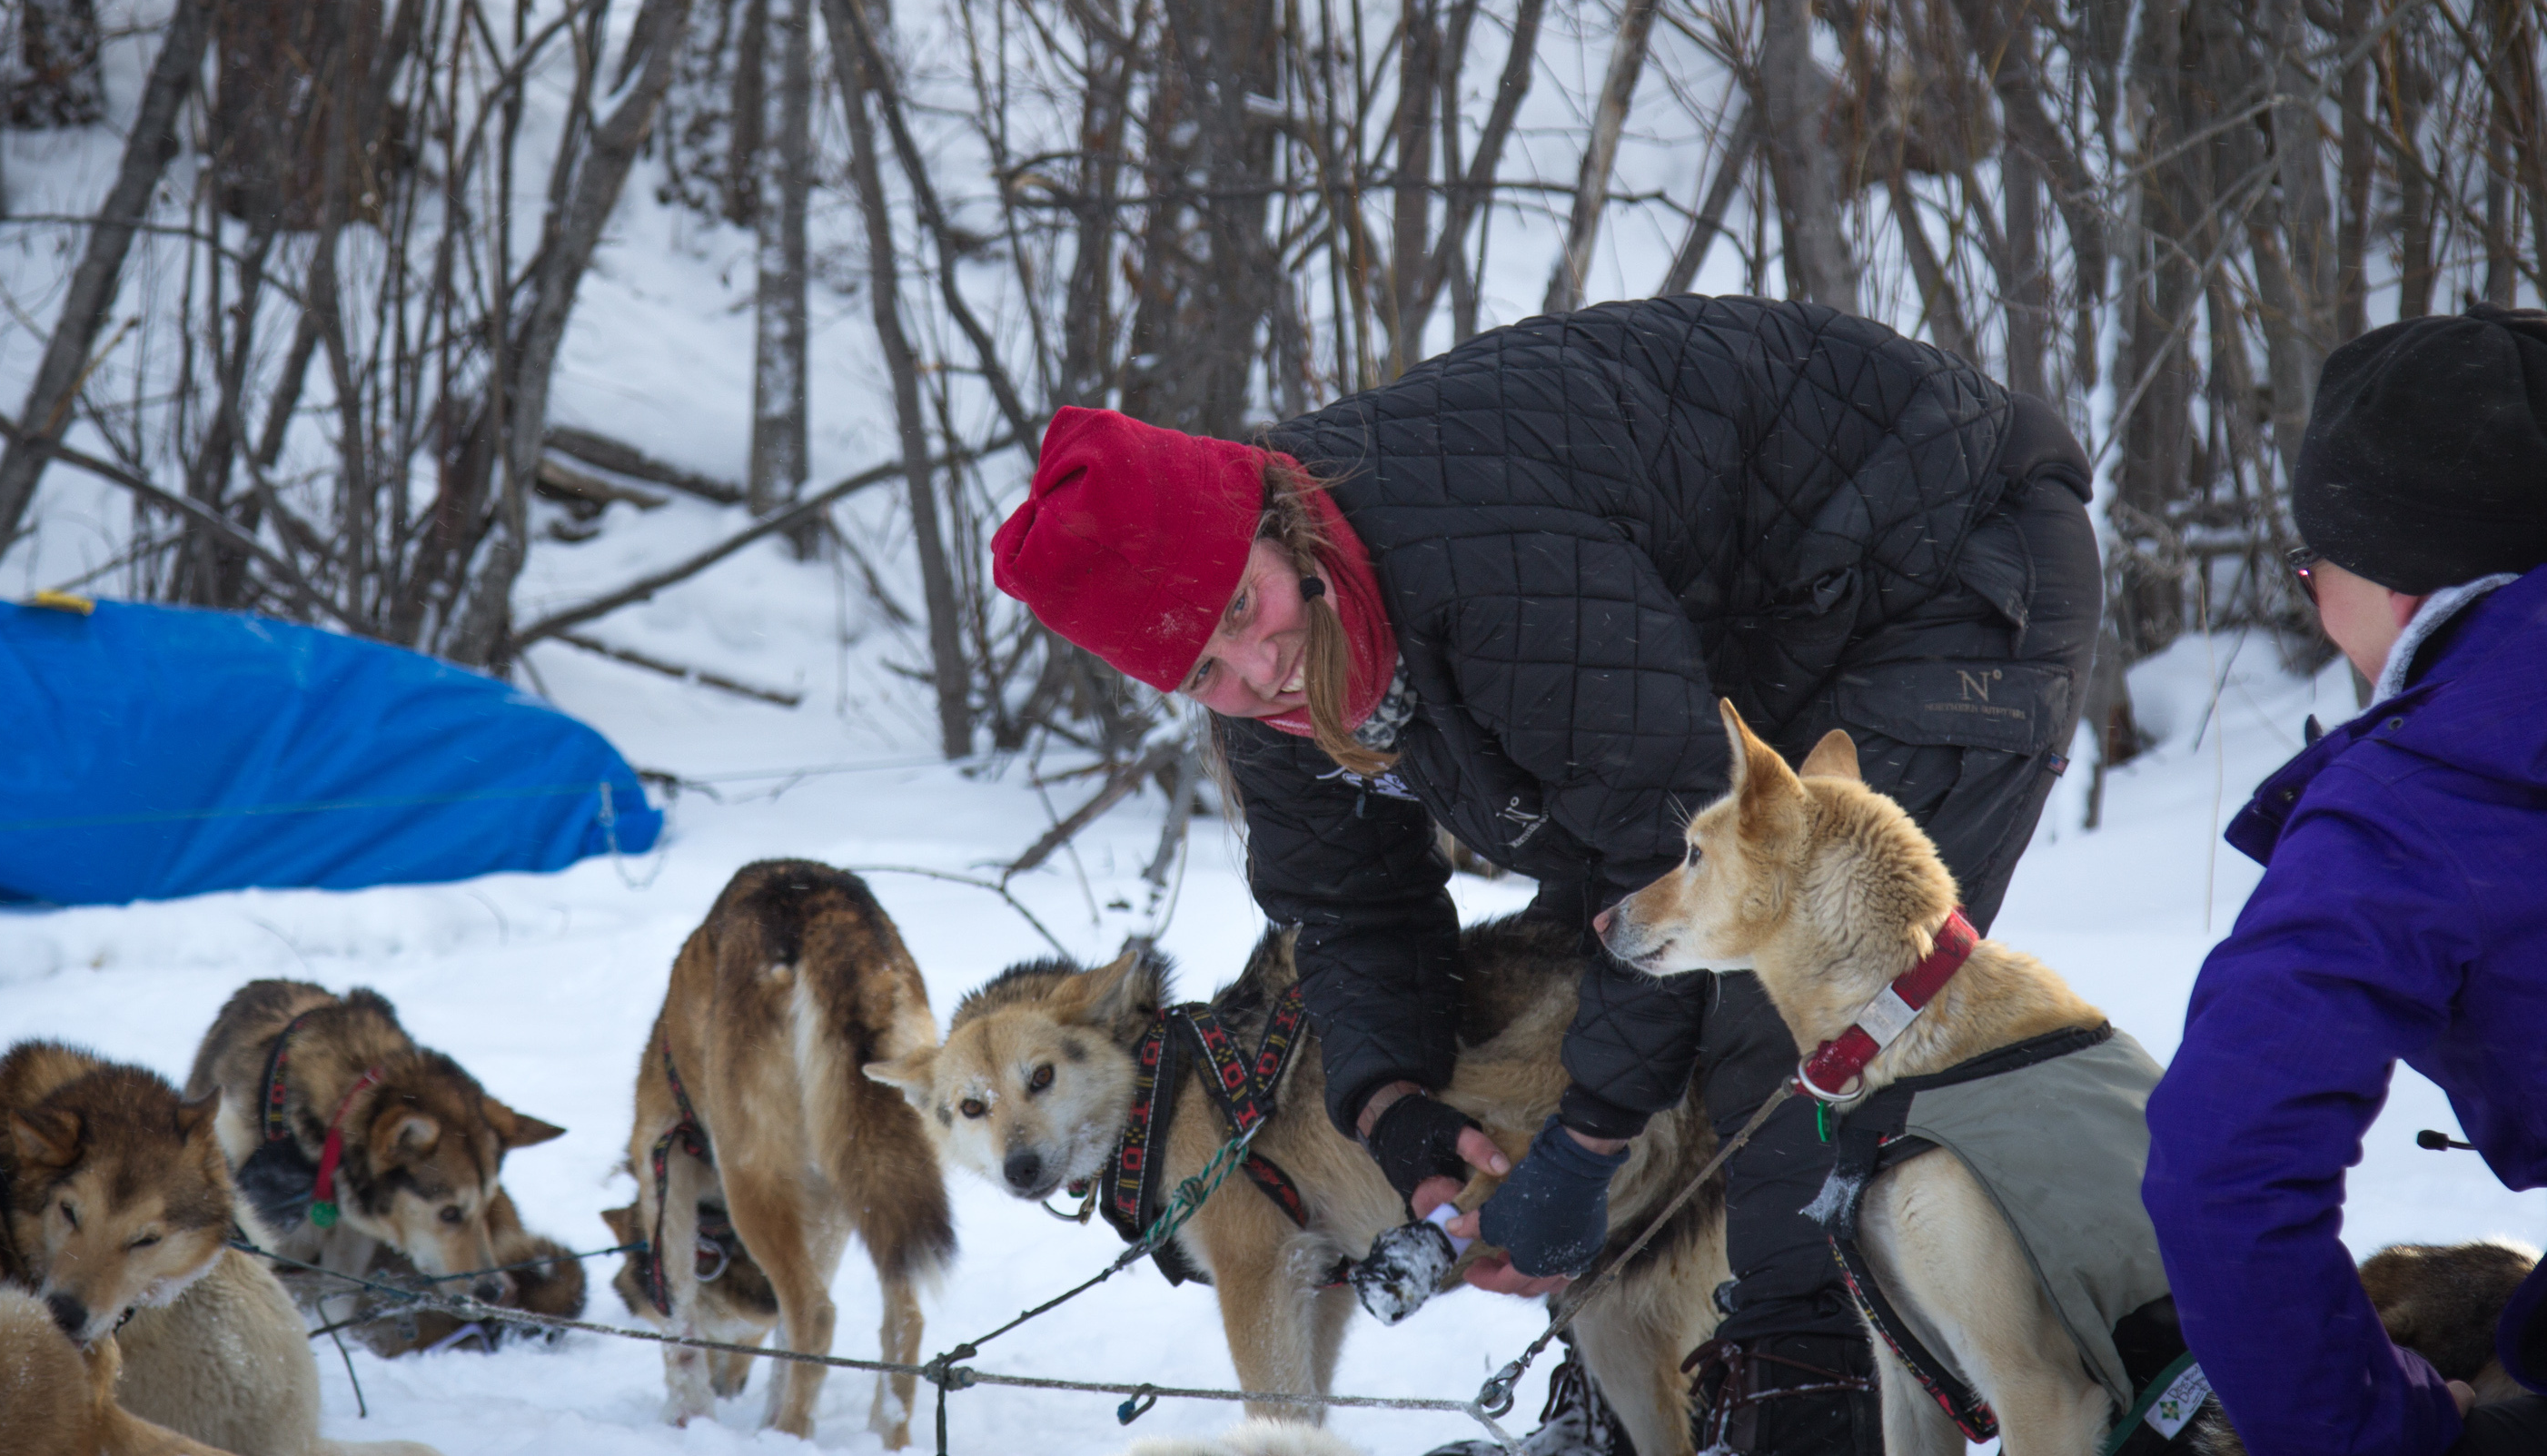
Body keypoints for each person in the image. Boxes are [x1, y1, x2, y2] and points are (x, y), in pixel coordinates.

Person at [991, 295, 2100, 1456]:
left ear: (1277, 526)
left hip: (1943, 553)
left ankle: (1805, 1390)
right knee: (1596, 963)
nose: (1258, 667)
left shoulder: (1462, 547)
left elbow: (1655, 829)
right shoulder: (1281, 703)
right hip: (1750, 645)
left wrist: (1587, 1145)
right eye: (1203, 669)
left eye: (1241, 609)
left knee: (1789, 1002)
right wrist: (1392, 1107)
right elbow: (1350, 905)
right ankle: (1637, 1383)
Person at [2143, 302, 2547, 1456]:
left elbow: (2224, 1165)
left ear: (2400, 589)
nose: (2314, 598)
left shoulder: (2421, 792)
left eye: (2312, 566)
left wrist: (2375, 1431)